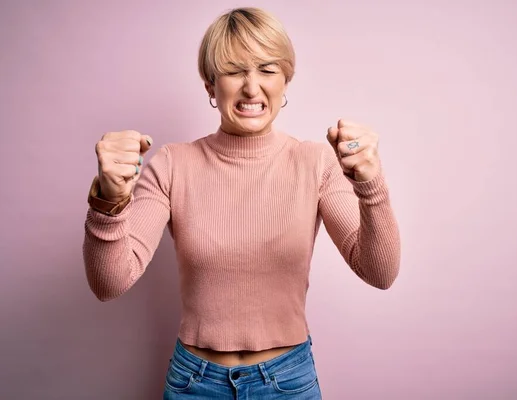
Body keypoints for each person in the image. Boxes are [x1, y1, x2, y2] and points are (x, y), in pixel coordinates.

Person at [83, 6, 400, 399]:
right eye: (234, 71)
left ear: (286, 80)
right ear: (210, 86)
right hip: (193, 383)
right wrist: (108, 202)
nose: (252, 88)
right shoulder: (171, 164)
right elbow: (109, 283)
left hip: (288, 381)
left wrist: (371, 185)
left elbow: (380, 272)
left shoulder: (316, 162)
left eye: (267, 69)